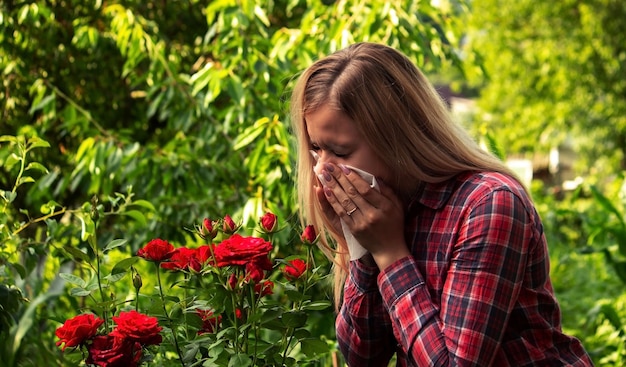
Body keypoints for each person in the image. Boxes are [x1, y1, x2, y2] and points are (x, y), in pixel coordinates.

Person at [289, 42, 593, 366]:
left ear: (396, 138)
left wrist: (390, 254)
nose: (323, 169)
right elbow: (363, 357)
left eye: (341, 151)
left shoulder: (487, 205)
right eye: (316, 149)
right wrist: (363, 246)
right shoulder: (384, 210)